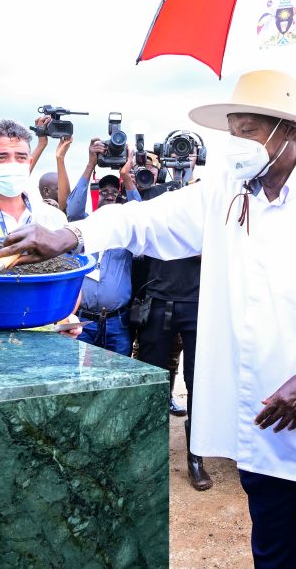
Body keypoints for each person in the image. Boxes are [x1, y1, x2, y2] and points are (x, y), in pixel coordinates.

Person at [0, 70, 296, 568]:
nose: (237, 144)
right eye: (233, 132)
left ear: (289, 133)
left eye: (249, 131)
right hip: (263, 436)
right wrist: (75, 234)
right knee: (275, 558)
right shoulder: (226, 194)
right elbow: (146, 220)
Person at [134, 133, 211, 490]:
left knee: (199, 383)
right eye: (177, 150)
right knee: (151, 381)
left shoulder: (212, 196)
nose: (183, 157)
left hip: (198, 302)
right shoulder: (153, 193)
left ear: (200, 156)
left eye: (189, 150)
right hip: (158, 302)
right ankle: (147, 453)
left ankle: (195, 455)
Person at [65, 142, 141, 356]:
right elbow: (72, 210)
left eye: (114, 191)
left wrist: (127, 177)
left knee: (118, 380)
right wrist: (90, 164)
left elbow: (141, 215)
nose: (109, 195)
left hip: (117, 322)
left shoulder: (127, 231)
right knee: (80, 377)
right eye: (103, 190)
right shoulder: (84, 224)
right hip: (84, 321)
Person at [0, 119, 67, 240]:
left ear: (29, 163)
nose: (12, 164)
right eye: (1, 158)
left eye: (21, 157)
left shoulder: (53, 217)